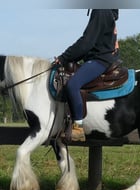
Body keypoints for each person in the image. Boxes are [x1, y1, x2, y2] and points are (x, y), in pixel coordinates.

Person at [55, 9, 120, 141]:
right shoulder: (108, 11)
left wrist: (63, 57)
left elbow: (87, 43)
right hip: (103, 57)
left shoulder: (101, 10)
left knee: (73, 85)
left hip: (99, 60)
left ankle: (78, 128)